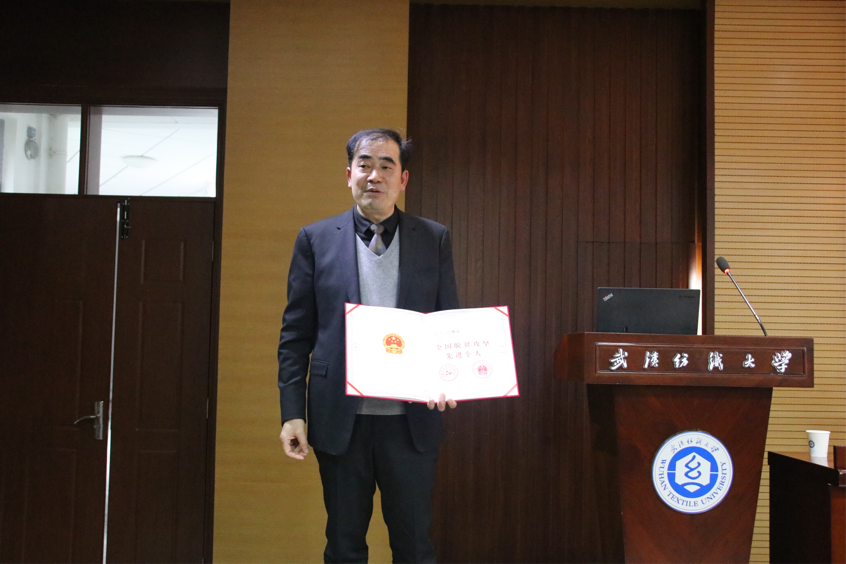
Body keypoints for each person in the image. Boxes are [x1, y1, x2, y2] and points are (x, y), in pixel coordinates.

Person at [277, 128, 459, 564]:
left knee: (414, 546)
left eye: (386, 166)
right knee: (343, 546)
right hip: (341, 421)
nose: (374, 175)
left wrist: (449, 379)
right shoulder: (315, 239)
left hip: (410, 423)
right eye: (364, 165)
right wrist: (292, 413)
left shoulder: (432, 238)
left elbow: (447, 322)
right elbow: (295, 334)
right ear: (349, 174)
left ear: (403, 179)